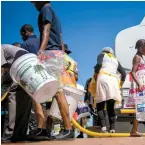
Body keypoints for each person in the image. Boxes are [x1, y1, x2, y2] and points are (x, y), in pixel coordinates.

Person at [31, 1, 73, 139]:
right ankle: (59, 128)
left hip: (49, 54)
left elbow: (46, 29)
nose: (32, 3)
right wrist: (61, 54)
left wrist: (41, 51)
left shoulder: (45, 9)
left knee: (52, 92)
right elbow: (60, 38)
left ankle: (66, 129)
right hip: (55, 54)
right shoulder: (52, 11)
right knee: (54, 91)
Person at [1, 44, 33, 142]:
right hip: (32, 69)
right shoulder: (9, 48)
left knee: (14, 94)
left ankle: (11, 132)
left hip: (22, 69)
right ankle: (21, 133)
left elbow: (1, 70)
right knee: (26, 99)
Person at [94, 47, 126, 133]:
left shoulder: (101, 55)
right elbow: (123, 73)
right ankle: (112, 129)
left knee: (100, 104)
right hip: (114, 81)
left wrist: (96, 74)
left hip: (103, 78)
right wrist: (120, 84)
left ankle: (103, 128)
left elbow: (99, 65)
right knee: (110, 106)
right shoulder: (115, 60)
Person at [1, 43, 21, 141]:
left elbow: (1, 70)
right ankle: (19, 132)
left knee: (12, 96)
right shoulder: (16, 50)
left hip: (15, 74)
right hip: (28, 70)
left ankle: (10, 131)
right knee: (24, 99)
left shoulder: (1, 48)